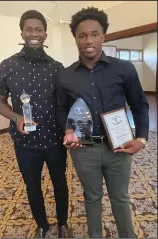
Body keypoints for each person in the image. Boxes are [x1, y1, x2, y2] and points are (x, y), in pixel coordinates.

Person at [56, 7, 149, 238]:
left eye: (94, 34)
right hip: (84, 149)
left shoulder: (124, 69)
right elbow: (61, 108)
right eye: (82, 35)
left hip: (119, 147)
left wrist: (142, 139)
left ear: (103, 36)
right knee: (92, 197)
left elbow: (139, 105)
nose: (89, 40)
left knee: (120, 198)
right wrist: (67, 129)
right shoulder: (65, 76)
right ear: (76, 38)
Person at [0, 10, 71, 238]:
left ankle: (63, 224)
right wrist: (16, 117)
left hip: (55, 141)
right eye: (29, 29)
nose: (34, 33)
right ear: (22, 32)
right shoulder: (7, 66)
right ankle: (42, 225)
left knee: (60, 185)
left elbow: (66, 104)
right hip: (25, 143)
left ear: (45, 34)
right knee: (32, 187)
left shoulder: (58, 68)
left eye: (39, 29)